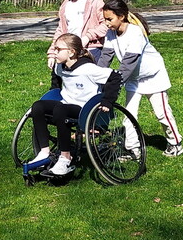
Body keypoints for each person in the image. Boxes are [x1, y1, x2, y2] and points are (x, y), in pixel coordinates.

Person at [98, 0, 183, 157]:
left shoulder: (135, 32)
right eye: (105, 19)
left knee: (162, 113)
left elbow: (129, 63)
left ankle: (175, 143)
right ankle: (133, 149)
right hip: (133, 79)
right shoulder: (110, 34)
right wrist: (94, 76)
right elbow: (105, 58)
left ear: (121, 16)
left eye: (109, 19)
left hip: (153, 76)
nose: (106, 23)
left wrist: (114, 85)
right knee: (129, 115)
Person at [31, 33, 122, 176]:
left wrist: (108, 101)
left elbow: (115, 76)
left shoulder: (88, 69)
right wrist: (54, 89)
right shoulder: (60, 67)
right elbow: (56, 76)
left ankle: (65, 157)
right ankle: (44, 151)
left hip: (85, 108)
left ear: (71, 52)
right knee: (37, 106)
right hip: (65, 104)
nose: (54, 52)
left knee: (60, 110)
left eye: (58, 49)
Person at [46, 0, 108, 69]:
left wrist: (88, 37)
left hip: (90, 49)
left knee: (91, 82)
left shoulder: (96, 2)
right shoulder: (66, 4)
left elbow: (106, 25)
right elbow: (61, 30)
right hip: (70, 51)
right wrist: (52, 53)